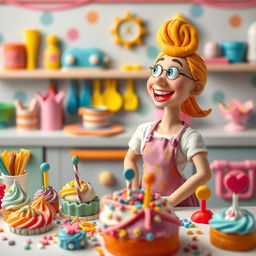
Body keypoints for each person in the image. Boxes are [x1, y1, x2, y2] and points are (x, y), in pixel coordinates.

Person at [124, 19, 212, 207]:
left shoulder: (189, 137)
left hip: (179, 208)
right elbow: (130, 159)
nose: (160, 80)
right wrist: (132, 191)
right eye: (156, 70)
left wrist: (171, 200)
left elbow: (204, 173)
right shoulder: (144, 131)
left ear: (195, 88)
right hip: (145, 203)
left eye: (172, 73)